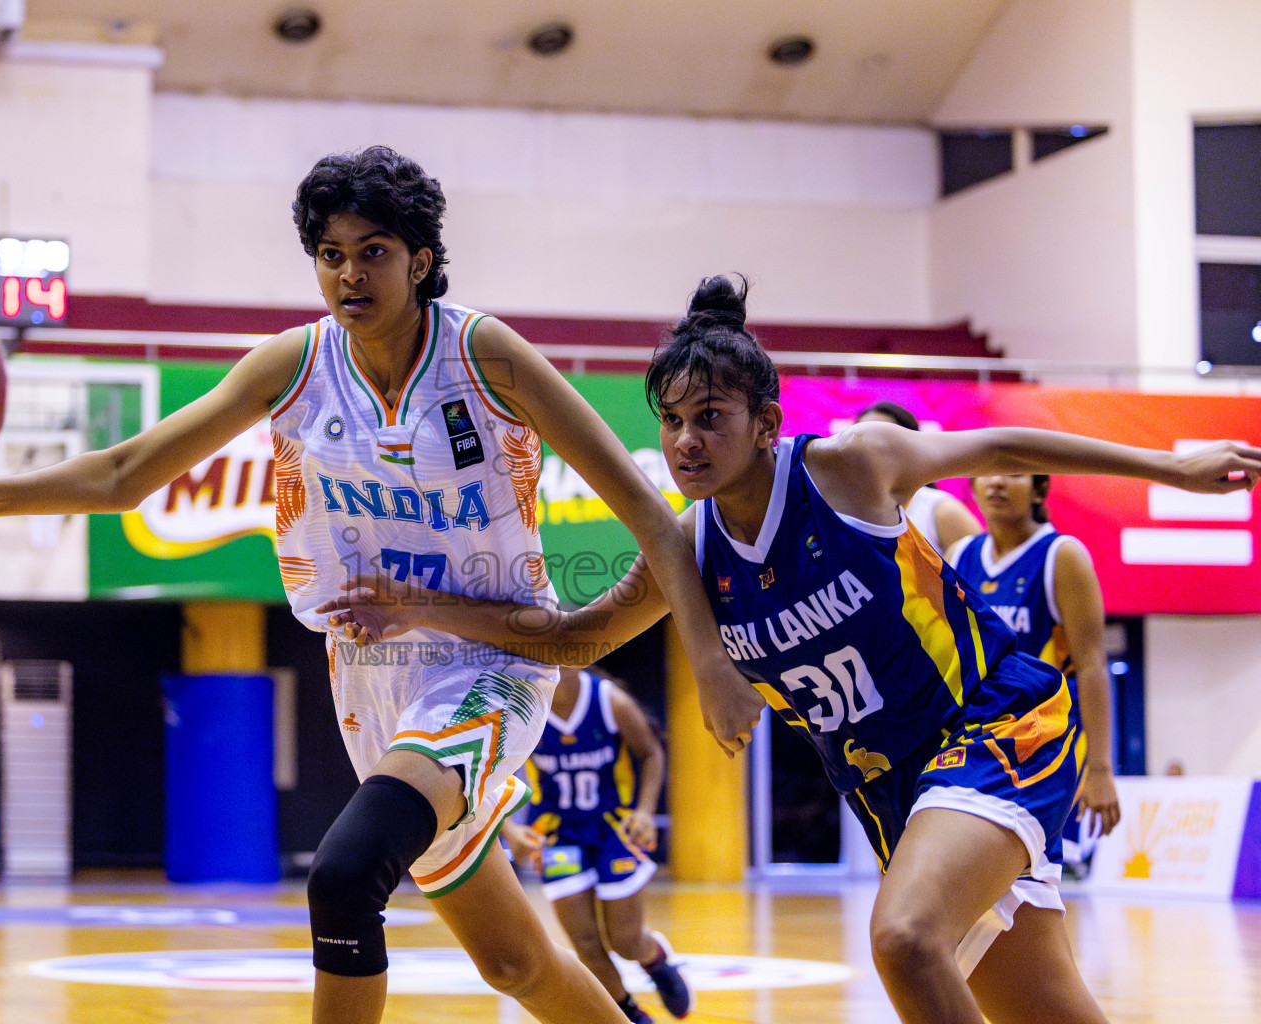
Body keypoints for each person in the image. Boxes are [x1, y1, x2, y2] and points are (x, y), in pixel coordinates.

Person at [0, 147, 752, 1024]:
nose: (349, 273)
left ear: (419, 260)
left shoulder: (485, 355)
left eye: (373, 250)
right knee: (515, 961)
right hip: (369, 681)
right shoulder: (292, 367)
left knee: (345, 880)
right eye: (330, 253)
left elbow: (651, 515)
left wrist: (713, 665)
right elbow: (126, 475)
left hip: (488, 663)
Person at [318, 274, 1261, 1024]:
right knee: (1046, 1012)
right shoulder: (686, 552)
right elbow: (573, 638)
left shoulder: (849, 467)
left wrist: (1170, 467)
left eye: (711, 417)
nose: (687, 440)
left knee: (904, 939)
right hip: (899, 793)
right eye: (673, 421)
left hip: (993, 730)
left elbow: (994, 443)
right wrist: (418, 607)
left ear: (765, 422)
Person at [948, 474, 1120, 878]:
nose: (997, 483)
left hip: (1042, 745)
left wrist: (1100, 770)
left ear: (1040, 490)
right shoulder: (959, 555)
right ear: (971, 488)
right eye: (987, 472)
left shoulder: (1062, 555)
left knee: (1026, 878)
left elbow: (1093, 666)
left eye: (1013, 473)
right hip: (976, 741)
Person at [501, 666, 692, 1023]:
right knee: (585, 942)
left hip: (615, 828)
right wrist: (510, 830)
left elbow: (651, 752)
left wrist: (647, 811)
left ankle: (655, 958)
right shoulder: (523, 704)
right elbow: (493, 769)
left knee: (625, 939)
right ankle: (630, 1013)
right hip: (557, 833)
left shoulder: (610, 701)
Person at [854, 401, 982, 556]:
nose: (870, 447)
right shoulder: (841, 508)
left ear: (912, 446)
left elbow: (976, 573)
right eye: (860, 438)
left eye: (881, 438)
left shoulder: (941, 511)